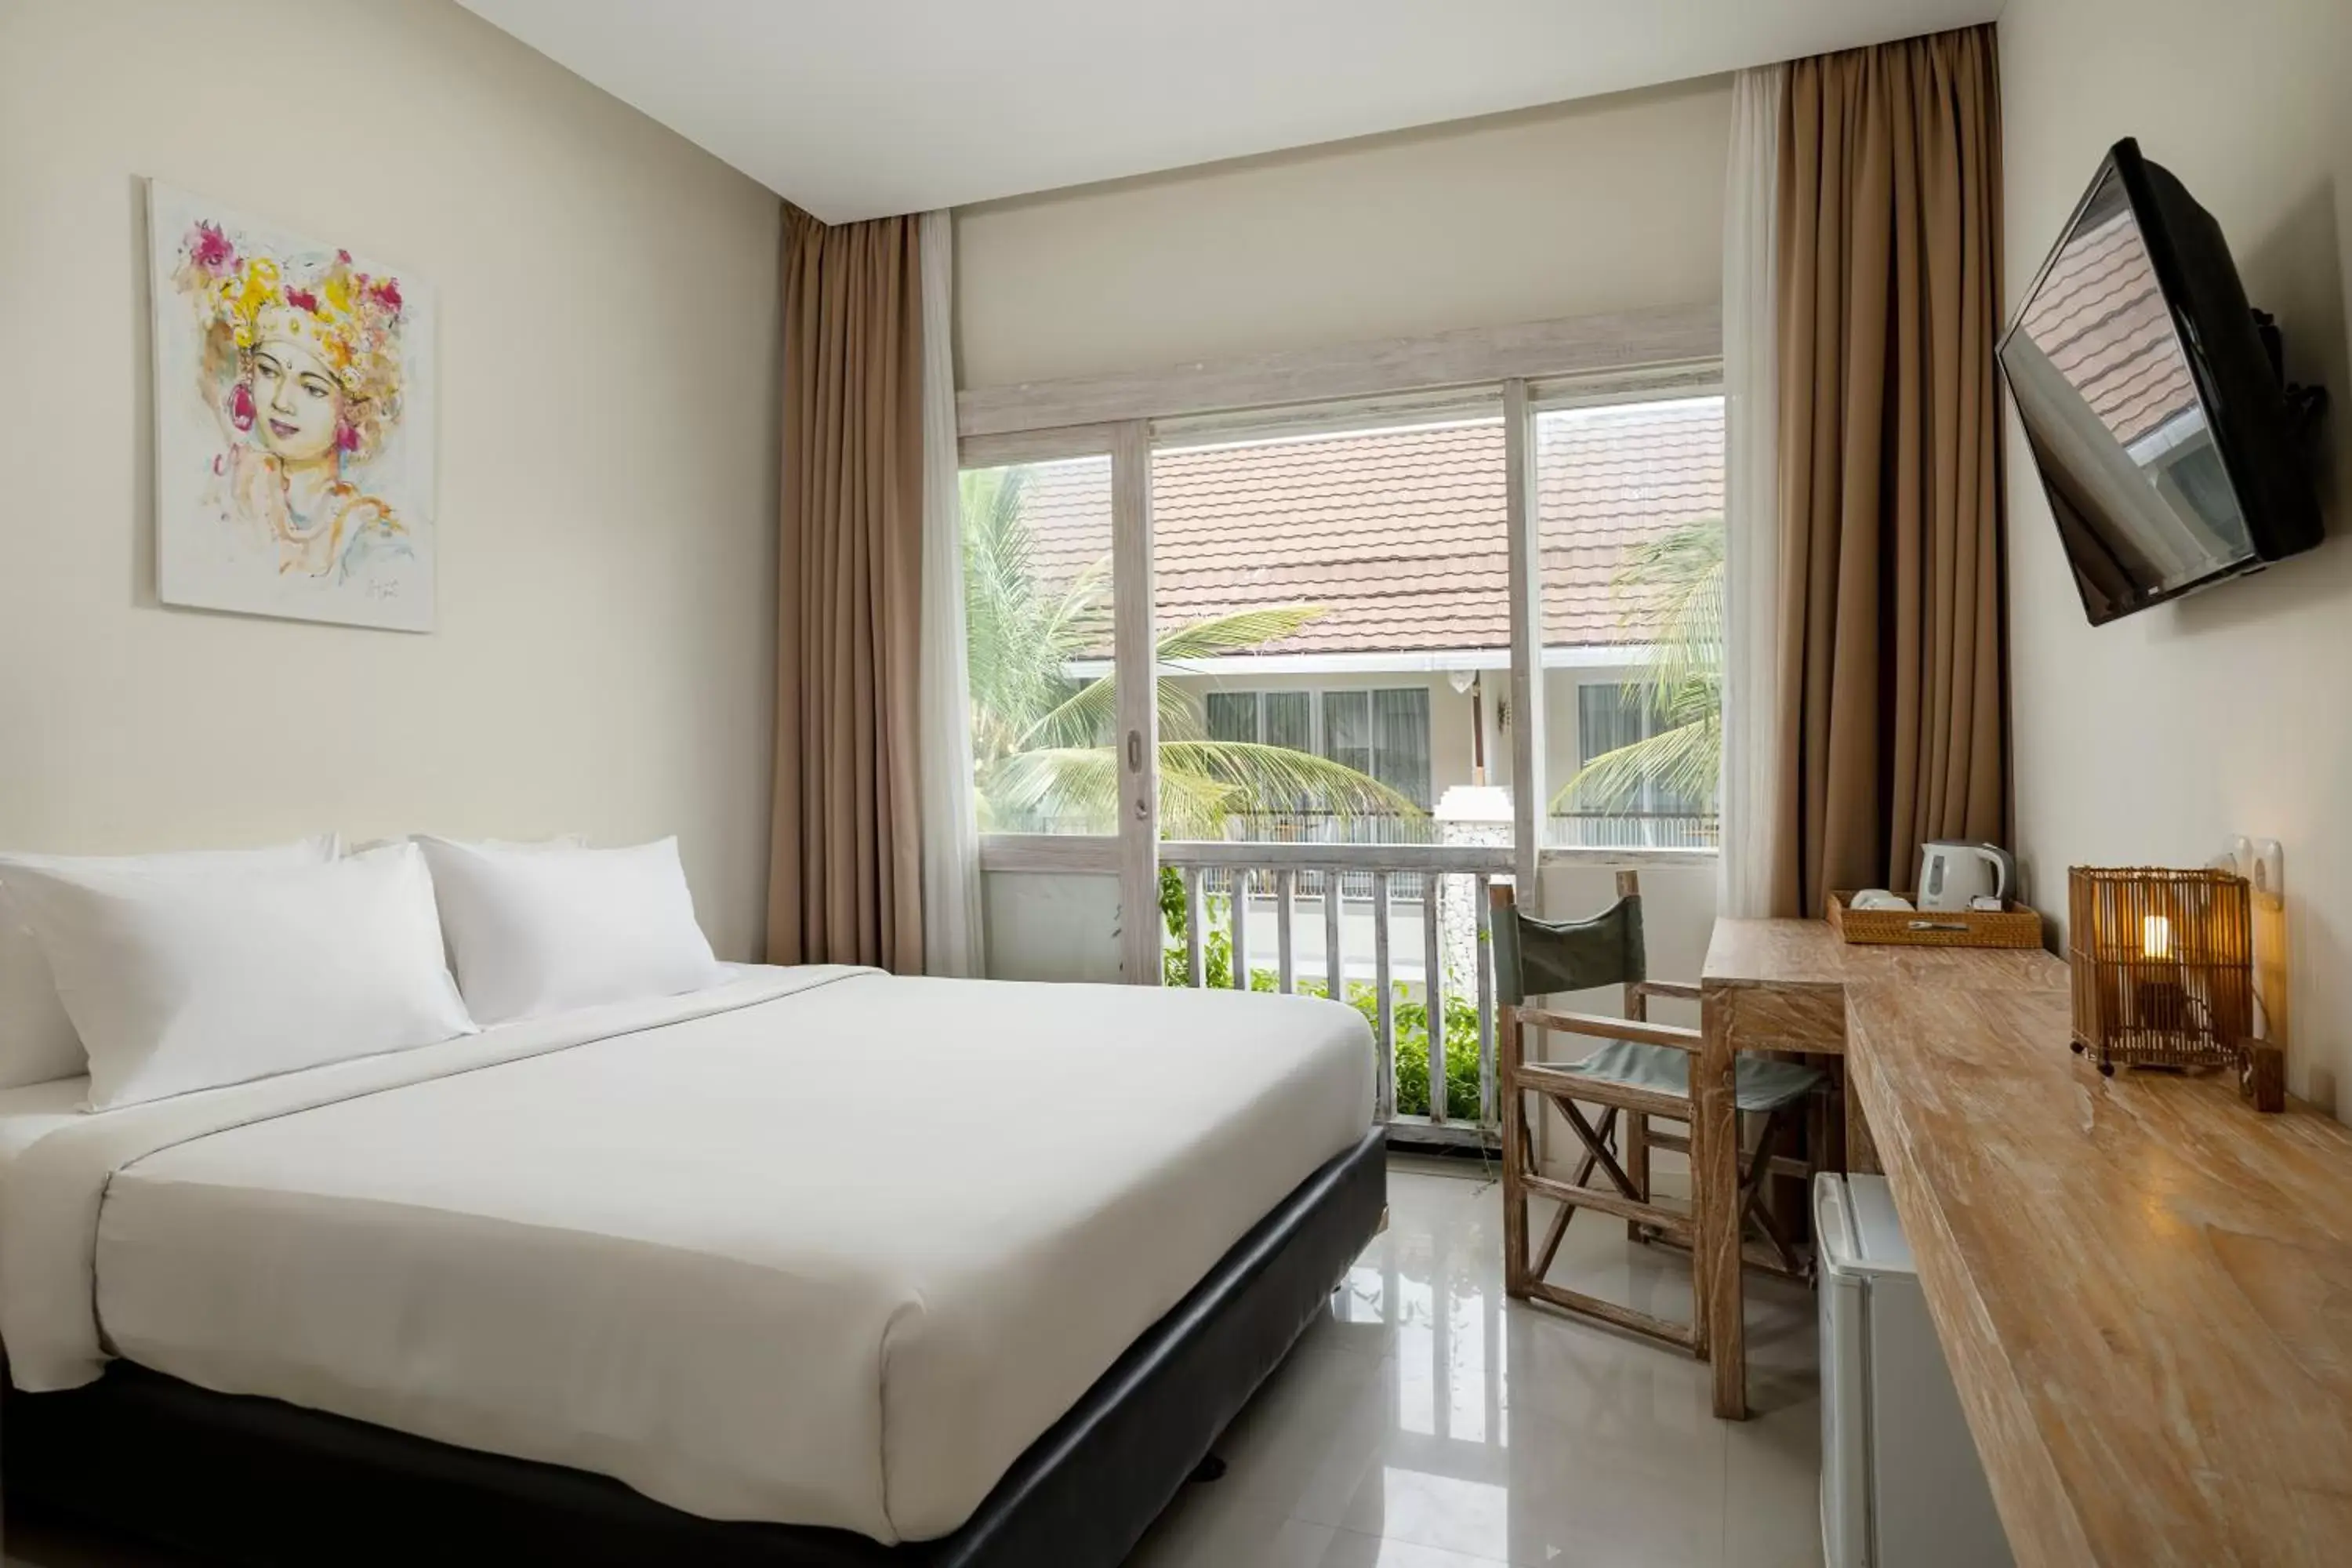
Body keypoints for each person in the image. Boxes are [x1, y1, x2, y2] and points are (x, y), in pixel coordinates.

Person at [176, 221, 410, 584]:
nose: (282, 402)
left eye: (313, 389)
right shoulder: (229, 485)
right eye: (269, 372)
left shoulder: (371, 538)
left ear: (352, 408)